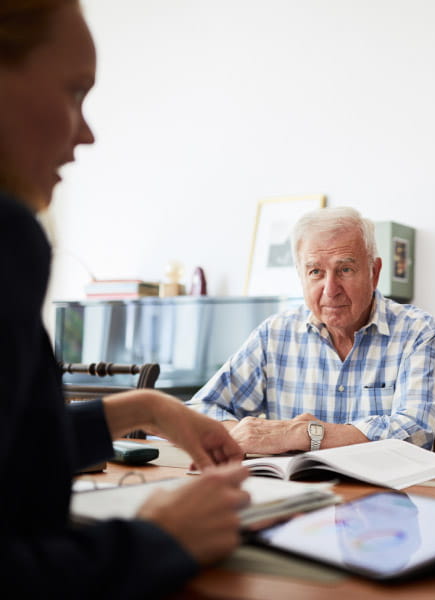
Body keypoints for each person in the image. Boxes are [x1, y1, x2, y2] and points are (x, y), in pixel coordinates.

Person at [0, 2, 251, 597]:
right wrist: (159, 539)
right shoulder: (9, 237)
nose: (86, 132)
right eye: (75, 92)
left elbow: (17, 454)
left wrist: (144, 408)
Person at [192, 206, 435, 454]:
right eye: (315, 272)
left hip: (386, 493)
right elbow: (200, 409)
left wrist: (303, 434)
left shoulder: (418, 332)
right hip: (291, 492)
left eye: (345, 270)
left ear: (374, 272)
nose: (330, 289)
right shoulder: (274, 334)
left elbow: (415, 434)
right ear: (300, 276)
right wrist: (245, 435)